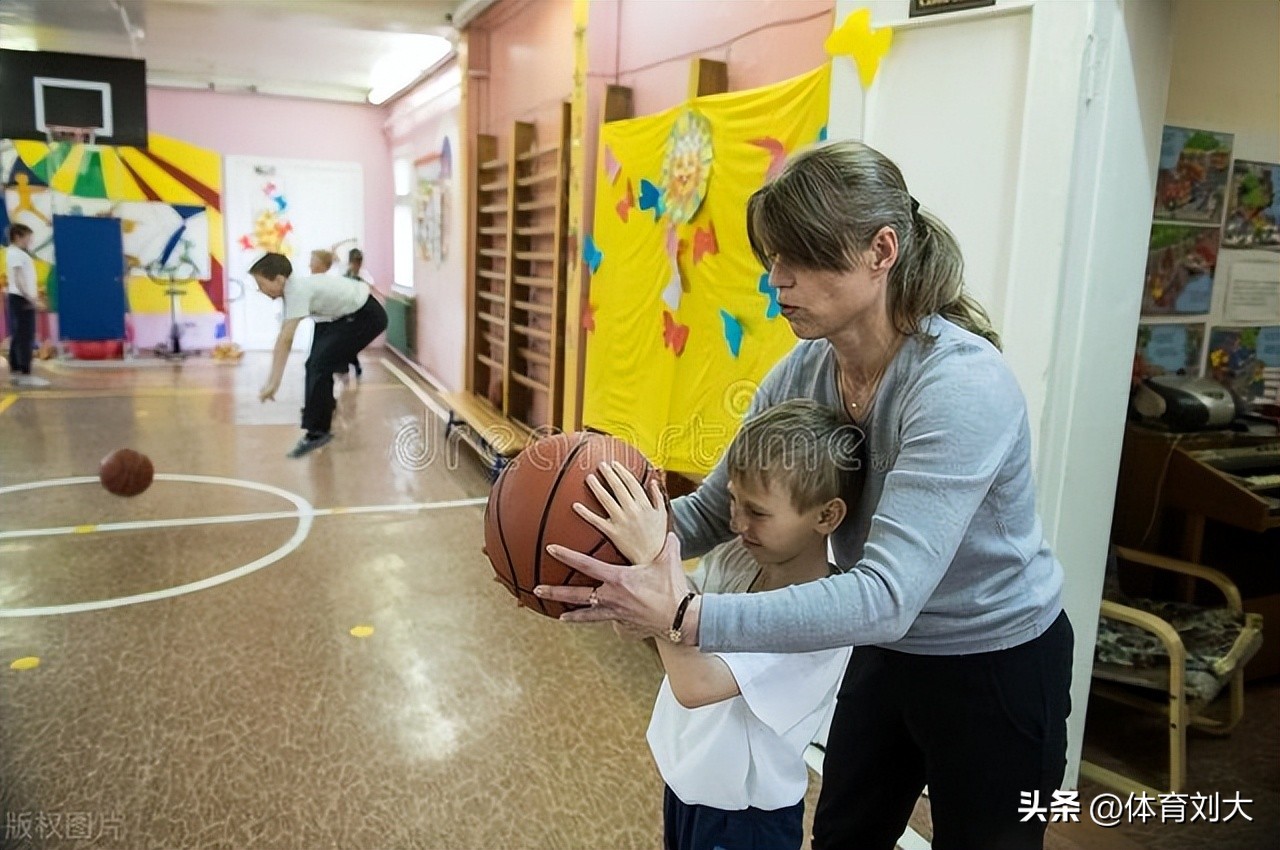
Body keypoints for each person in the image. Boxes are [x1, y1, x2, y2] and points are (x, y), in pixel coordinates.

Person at [535, 140, 1073, 850]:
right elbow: (709, 514)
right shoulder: (802, 371)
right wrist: (597, 540)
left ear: (882, 251)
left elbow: (884, 594)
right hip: (887, 651)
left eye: (802, 259)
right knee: (846, 836)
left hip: (995, 661)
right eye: (772, 260)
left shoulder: (962, 385)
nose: (777, 281)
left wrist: (687, 614)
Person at [579, 400, 860, 850]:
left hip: (745, 819)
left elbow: (695, 681)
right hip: (688, 788)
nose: (736, 522)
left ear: (826, 516)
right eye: (733, 501)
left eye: (758, 512)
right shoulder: (737, 554)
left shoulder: (824, 620)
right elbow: (658, 623)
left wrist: (652, 561)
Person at [249, 252, 387, 458]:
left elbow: (285, 340)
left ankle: (317, 432)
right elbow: (283, 337)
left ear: (279, 279)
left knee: (319, 365)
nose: (260, 291)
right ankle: (321, 411)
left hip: (365, 316)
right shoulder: (293, 289)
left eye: (261, 285)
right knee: (314, 365)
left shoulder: (296, 290)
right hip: (339, 317)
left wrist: (273, 383)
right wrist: (272, 381)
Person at [5, 224, 49, 388]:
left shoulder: (16, 253)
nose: (29, 240)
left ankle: (17, 366)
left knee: (19, 333)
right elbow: (18, 280)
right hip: (21, 298)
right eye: (27, 237)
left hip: (20, 297)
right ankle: (25, 370)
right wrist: (31, 299)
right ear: (17, 237)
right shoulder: (15, 253)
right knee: (26, 335)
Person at [340, 248, 374, 379]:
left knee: (352, 340)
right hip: (345, 310)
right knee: (345, 339)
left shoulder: (364, 275)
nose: (356, 265)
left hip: (359, 311)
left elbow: (369, 286)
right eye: (354, 262)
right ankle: (348, 363)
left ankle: (353, 363)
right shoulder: (344, 273)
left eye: (359, 262)